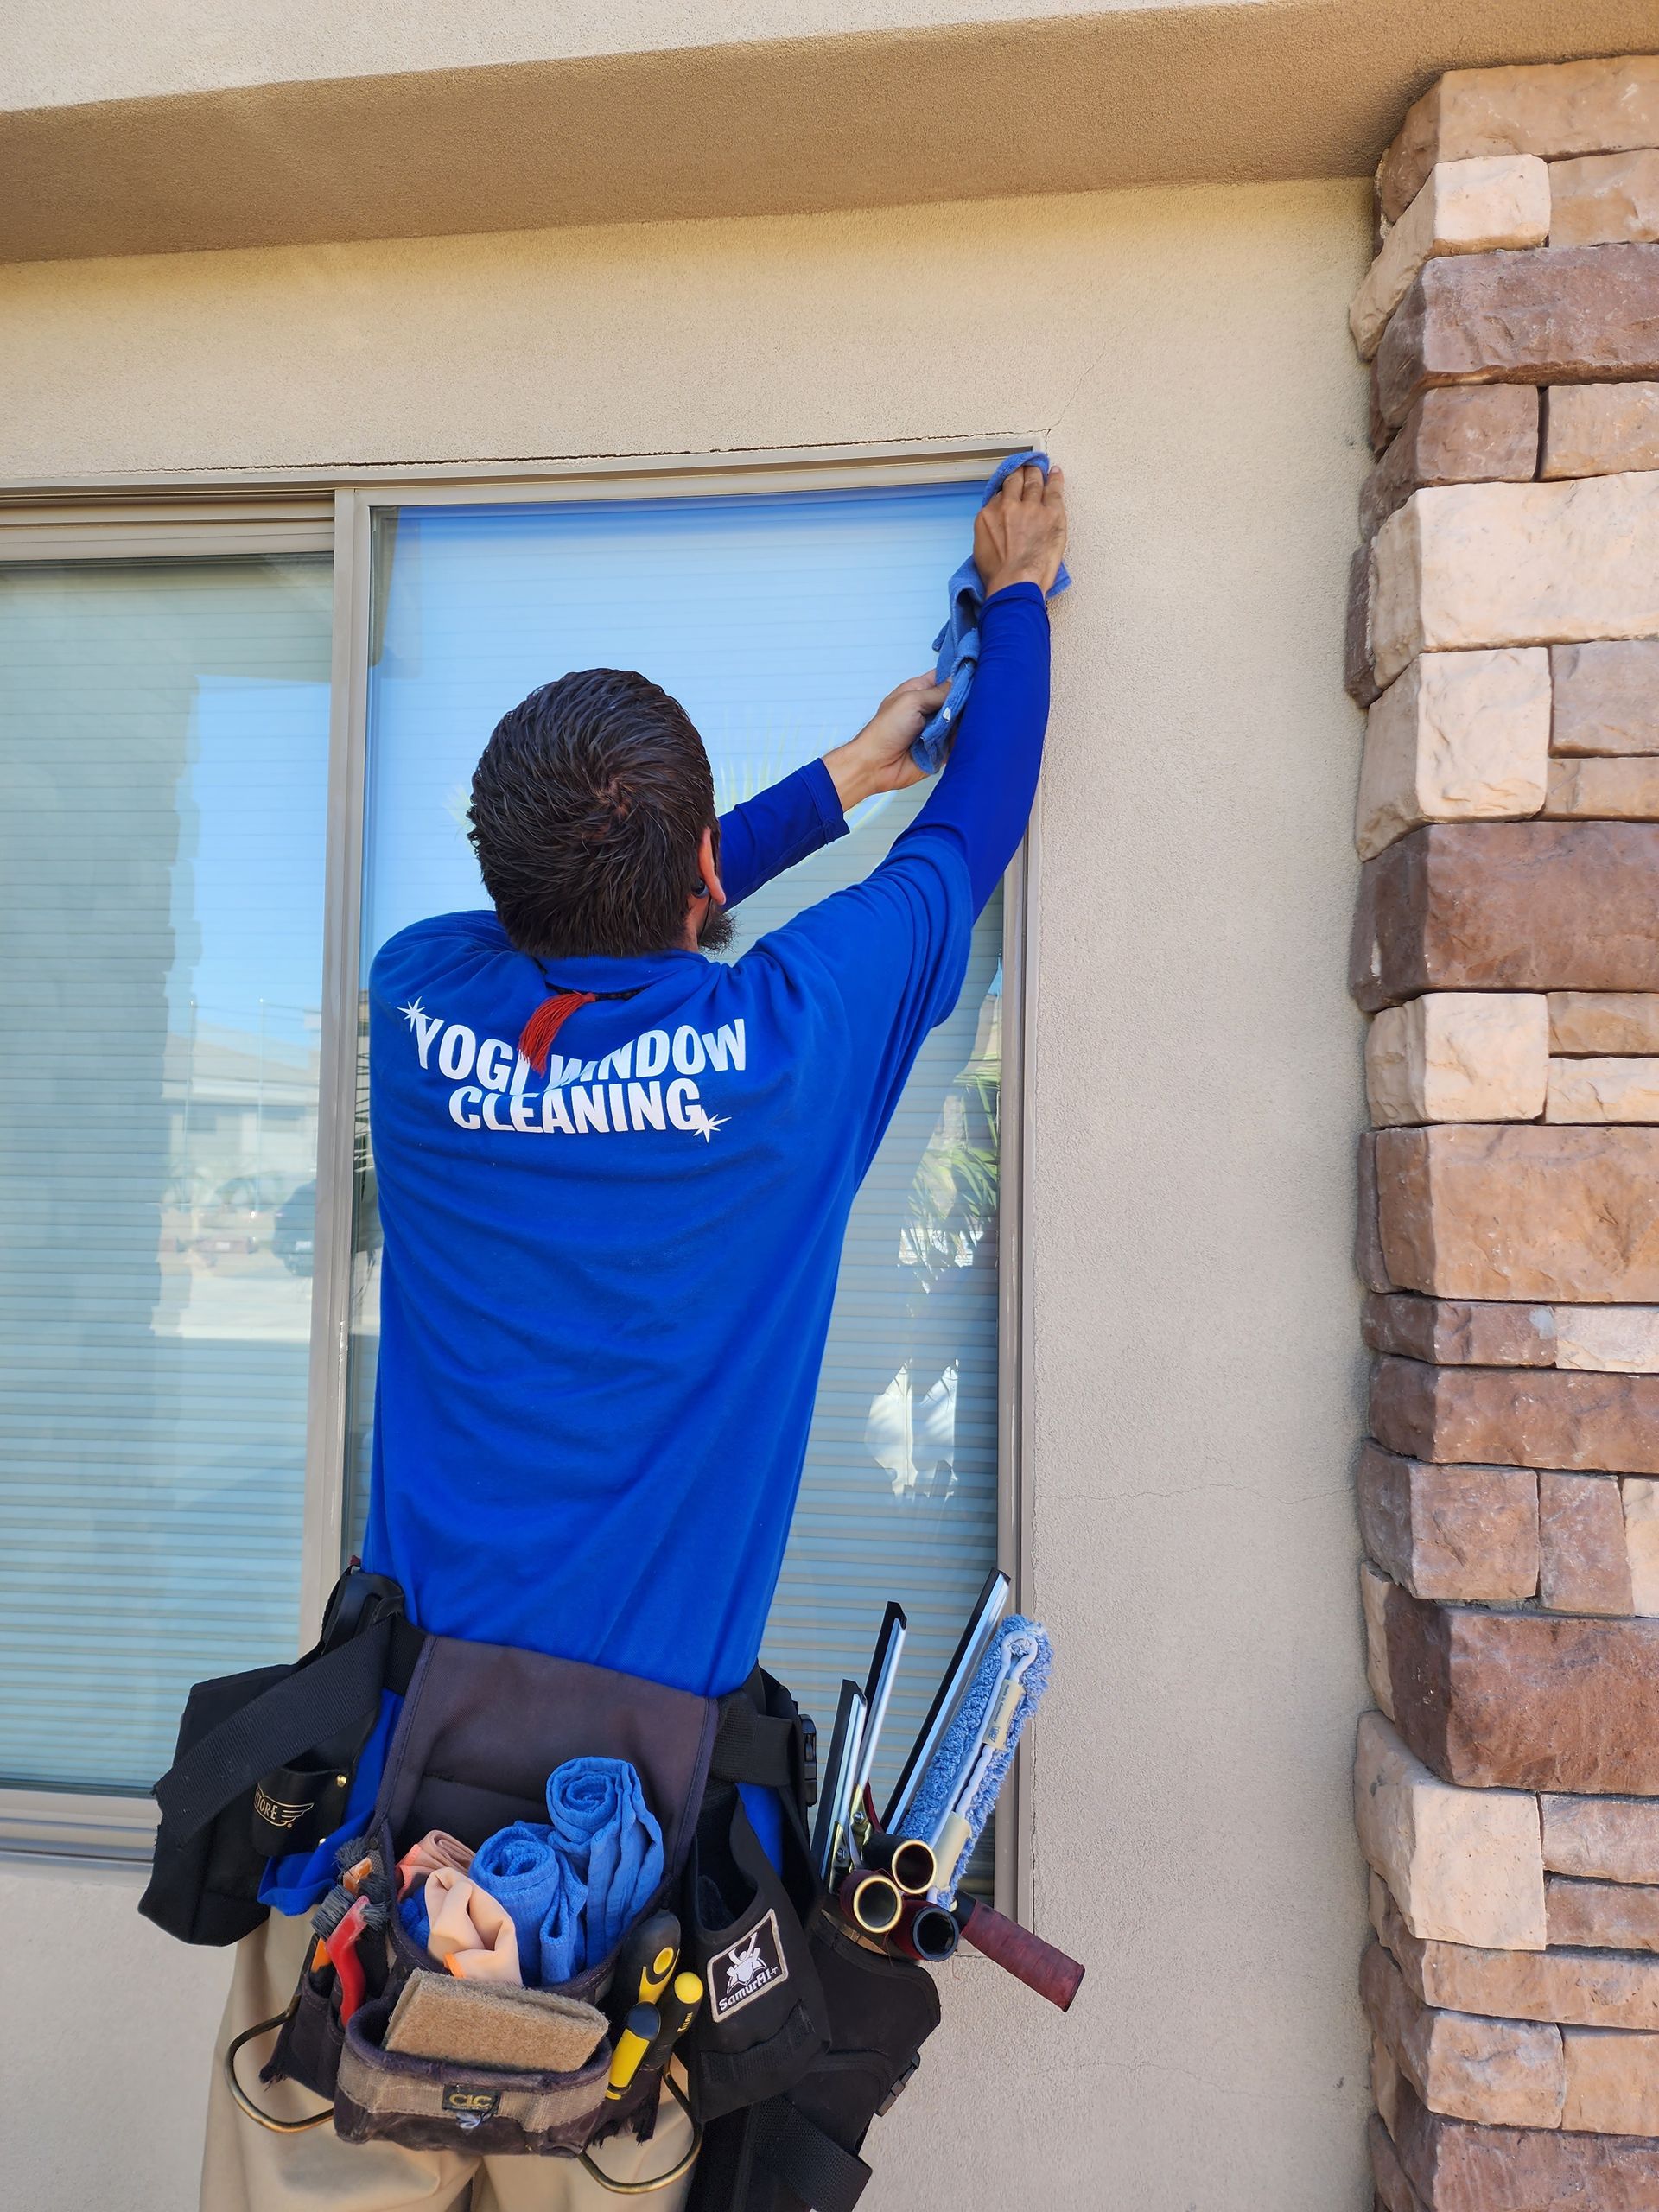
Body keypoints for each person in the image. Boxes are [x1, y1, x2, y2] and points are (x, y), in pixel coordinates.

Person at [200, 461, 1067, 2212]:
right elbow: (976, 828)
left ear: (496, 875)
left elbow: (583, 932)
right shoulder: (785, 1051)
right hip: (620, 1906)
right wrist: (1020, 600)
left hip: (376, 1846)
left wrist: (810, 788)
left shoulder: (420, 1004)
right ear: (690, 871)